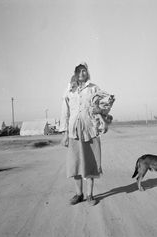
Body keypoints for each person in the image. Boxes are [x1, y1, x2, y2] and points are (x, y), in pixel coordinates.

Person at [59, 62, 114, 206]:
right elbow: (65, 111)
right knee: (75, 163)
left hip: (90, 130)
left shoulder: (94, 88)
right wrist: (65, 133)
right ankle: (79, 194)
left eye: (84, 71)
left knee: (90, 163)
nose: (82, 73)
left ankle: (90, 195)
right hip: (73, 132)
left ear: (87, 73)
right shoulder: (69, 89)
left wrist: (101, 112)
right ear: (75, 73)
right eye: (79, 71)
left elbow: (105, 104)